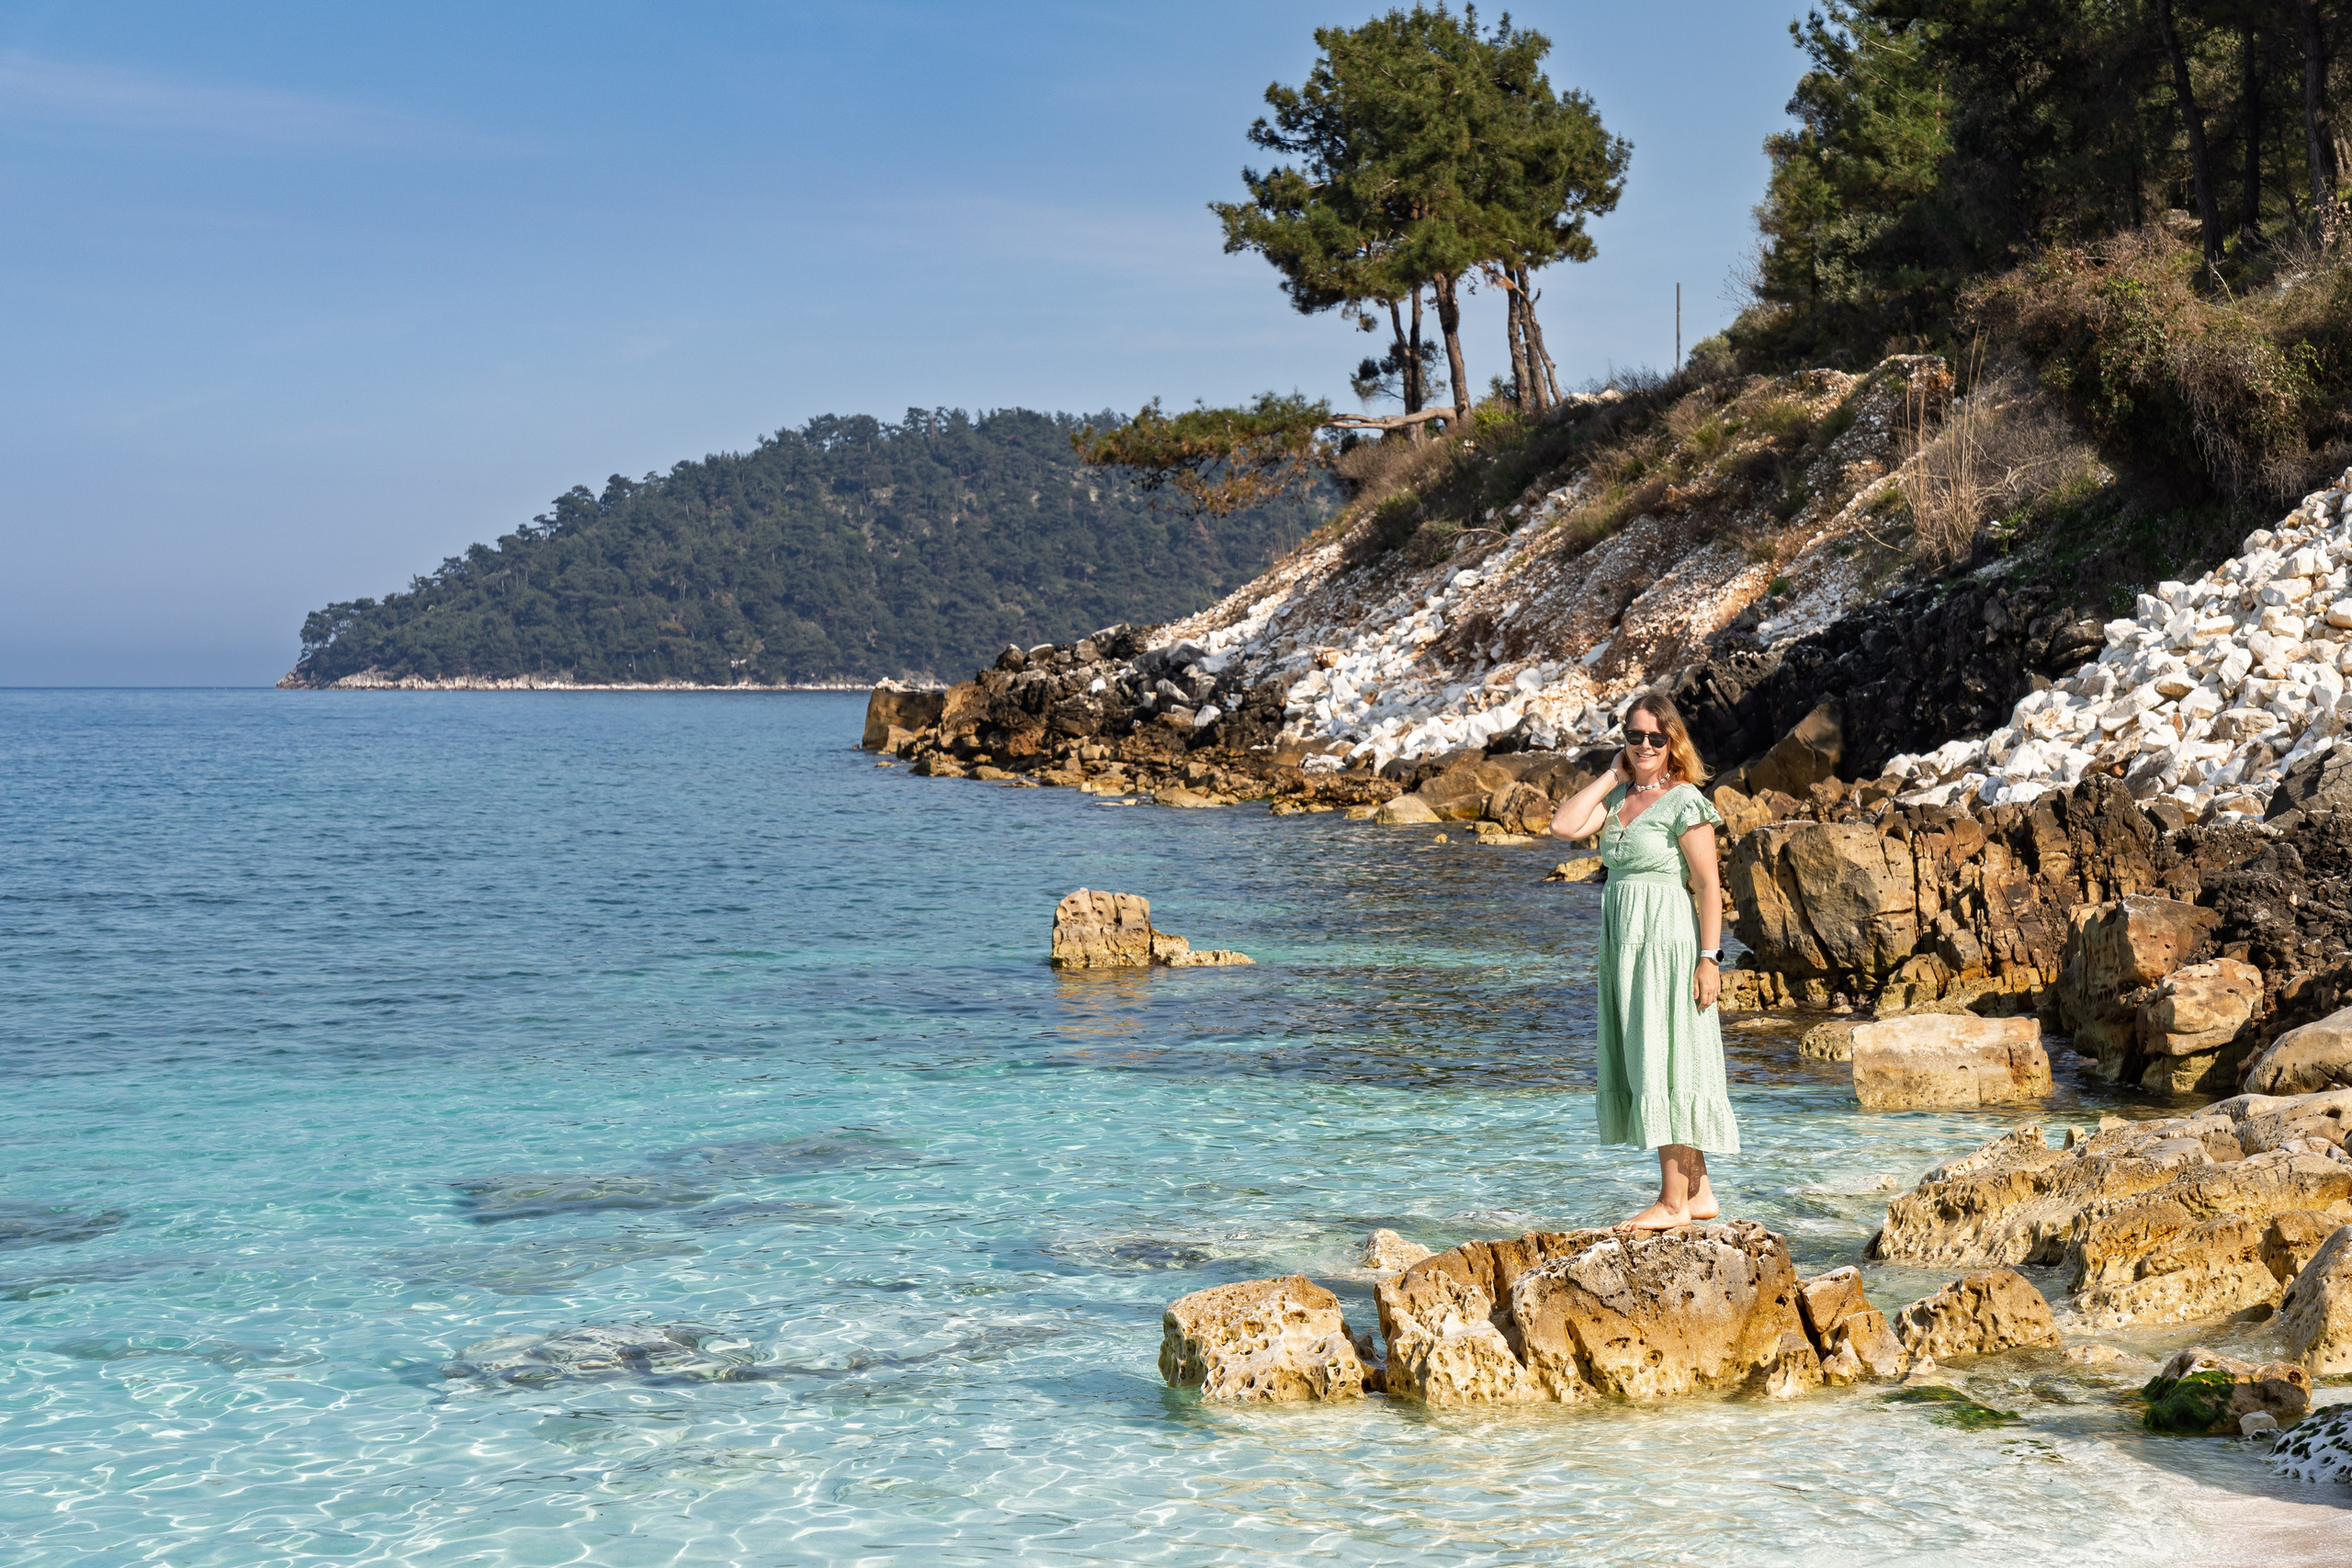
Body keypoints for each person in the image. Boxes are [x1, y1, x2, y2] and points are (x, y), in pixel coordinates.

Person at [1547, 690, 1737, 1230]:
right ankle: (1698, 1194)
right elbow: (1564, 826)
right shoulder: (1618, 799)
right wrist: (1612, 774)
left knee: (1668, 1057)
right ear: (1624, 741)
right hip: (1624, 946)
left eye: (1657, 737)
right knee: (1652, 1054)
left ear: (1673, 741)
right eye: (1636, 737)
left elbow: (1708, 886)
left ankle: (1672, 1203)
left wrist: (1709, 959)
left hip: (1667, 944)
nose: (1647, 745)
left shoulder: (1684, 801)